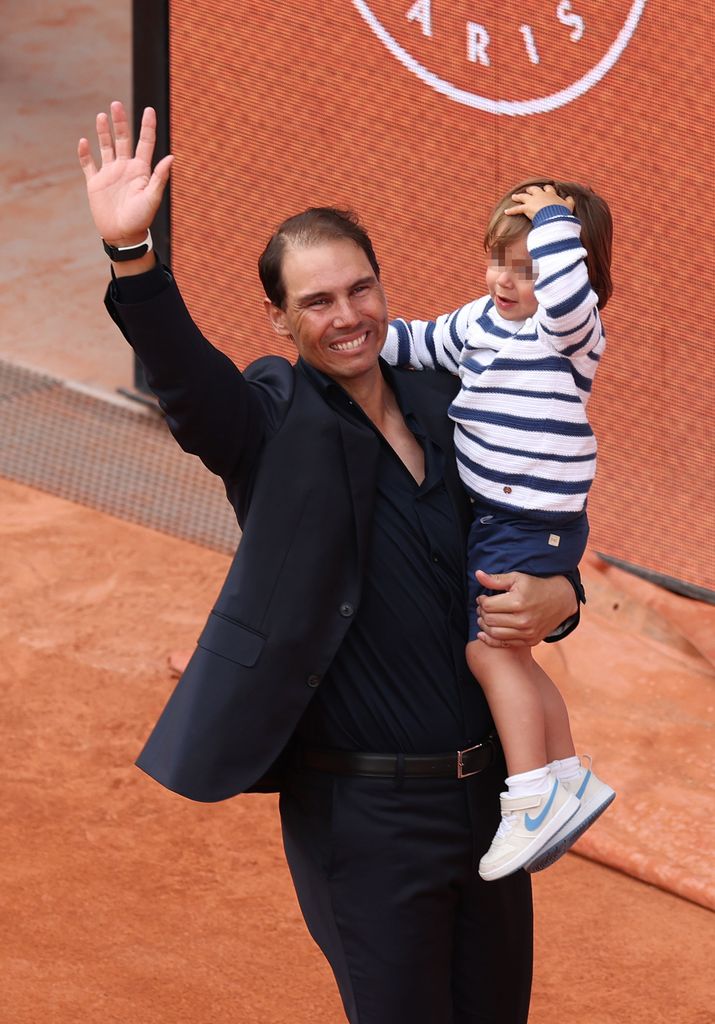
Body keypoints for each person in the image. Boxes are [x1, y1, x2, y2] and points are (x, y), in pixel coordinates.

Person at [78, 103, 584, 1024]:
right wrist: (132, 255)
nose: (347, 317)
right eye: (316, 302)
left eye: (360, 289)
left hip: (492, 804)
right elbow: (189, 381)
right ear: (278, 319)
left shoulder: (447, 395)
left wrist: (562, 590)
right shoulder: (269, 419)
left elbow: (530, 502)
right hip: (363, 819)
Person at [382, 179, 616, 882]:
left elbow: (566, 296)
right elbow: (415, 342)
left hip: (530, 520)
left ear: (572, 275)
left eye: (530, 270)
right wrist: (353, 335)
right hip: (497, 520)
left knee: (487, 653)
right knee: (510, 654)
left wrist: (552, 221)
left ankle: (531, 798)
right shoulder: (476, 323)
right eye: (497, 261)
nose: (505, 282)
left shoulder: (568, 334)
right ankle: (568, 776)